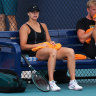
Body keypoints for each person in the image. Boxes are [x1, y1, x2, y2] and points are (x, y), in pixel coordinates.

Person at [19, 5, 83, 91]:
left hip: (48, 50)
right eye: (32, 12)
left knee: (70, 51)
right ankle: (51, 82)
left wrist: (51, 43)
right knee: (52, 51)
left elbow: (48, 41)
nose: (35, 14)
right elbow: (23, 46)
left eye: (37, 12)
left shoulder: (43, 25)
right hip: (35, 53)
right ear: (28, 13)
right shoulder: (24, 27)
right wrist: (40, 45)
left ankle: (72, 82)